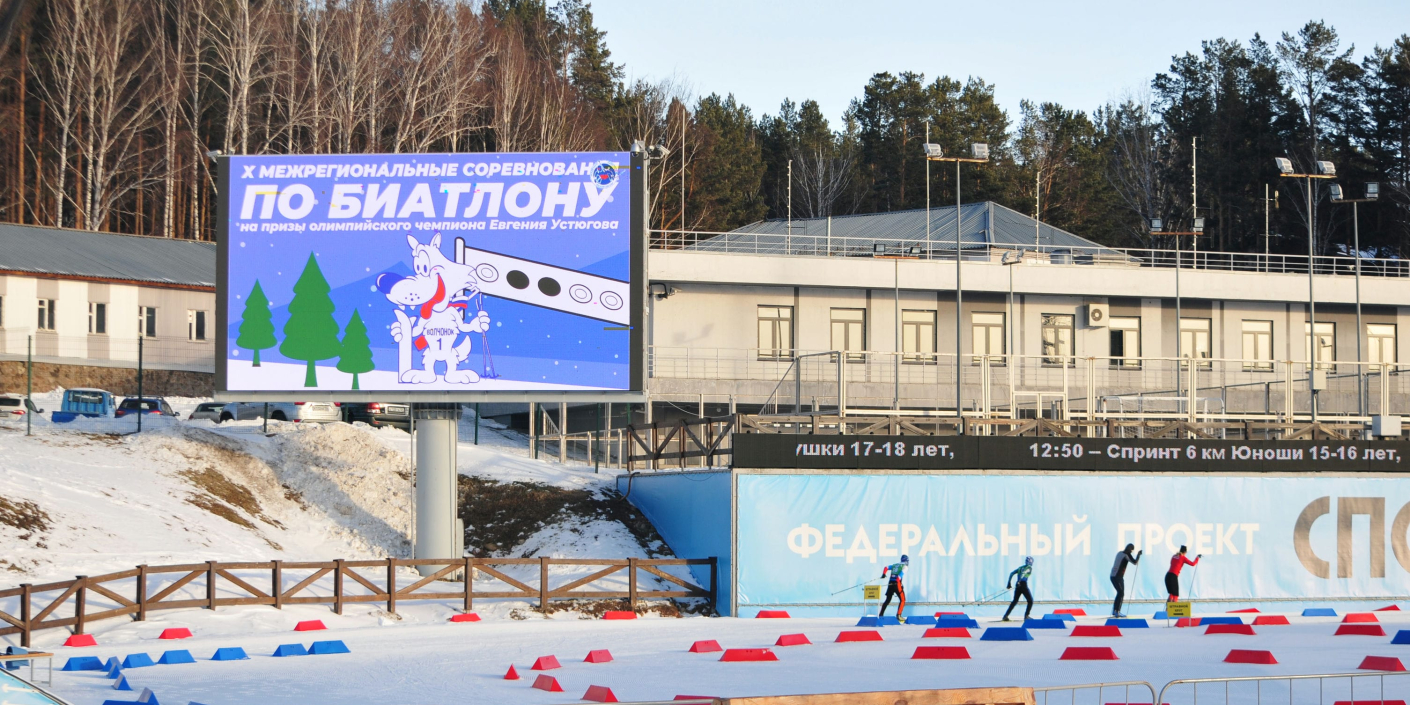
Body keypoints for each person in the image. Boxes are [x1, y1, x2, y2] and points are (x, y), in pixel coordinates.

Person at [1110, 543, 1142, 617]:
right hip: (1118, 577)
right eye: (1131, 550)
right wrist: (1138, 555)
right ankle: (1117, 611)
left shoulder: (1119, 553)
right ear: (1130, 550)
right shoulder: (1126, 555)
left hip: (1113, 576)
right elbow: (1135, 562)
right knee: (1121, 593)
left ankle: (1115, 610)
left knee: (1119, 593)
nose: (1131, 552)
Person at [1002, 556, 1034, 622]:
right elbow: (1024, 573)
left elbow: (1011, 573)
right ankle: (1026, 616)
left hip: (1017, 585)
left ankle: (1005, 616)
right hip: (1023, 584)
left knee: (1015, 601)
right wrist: (1020, 581)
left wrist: (1009, 583)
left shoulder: (1020, 568)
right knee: (1030, 600)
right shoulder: (1029, 568)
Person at [879, 554, 909, 622]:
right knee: (903, 600)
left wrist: (884, 574)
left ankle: (881, 614)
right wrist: (900, 585)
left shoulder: (895, 565)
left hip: (890, 583)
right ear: (906, 561)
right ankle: (898, 615)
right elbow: (899, 577)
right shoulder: (905, 566)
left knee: (888, 600)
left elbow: (886, 567)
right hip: (896, 584)